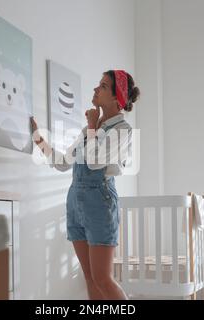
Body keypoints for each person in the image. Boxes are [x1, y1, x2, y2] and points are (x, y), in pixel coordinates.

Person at [31, 70, 140, 300]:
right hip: (75, 202)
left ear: (115, 97)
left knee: (103, 278)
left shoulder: (122, 130)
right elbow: (62, 163)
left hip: (99, 203)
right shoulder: (89, 129)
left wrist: (92, 125)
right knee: (89, 278)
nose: (95, 89)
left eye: (102, 86)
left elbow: (94, 162)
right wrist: (38, 139)